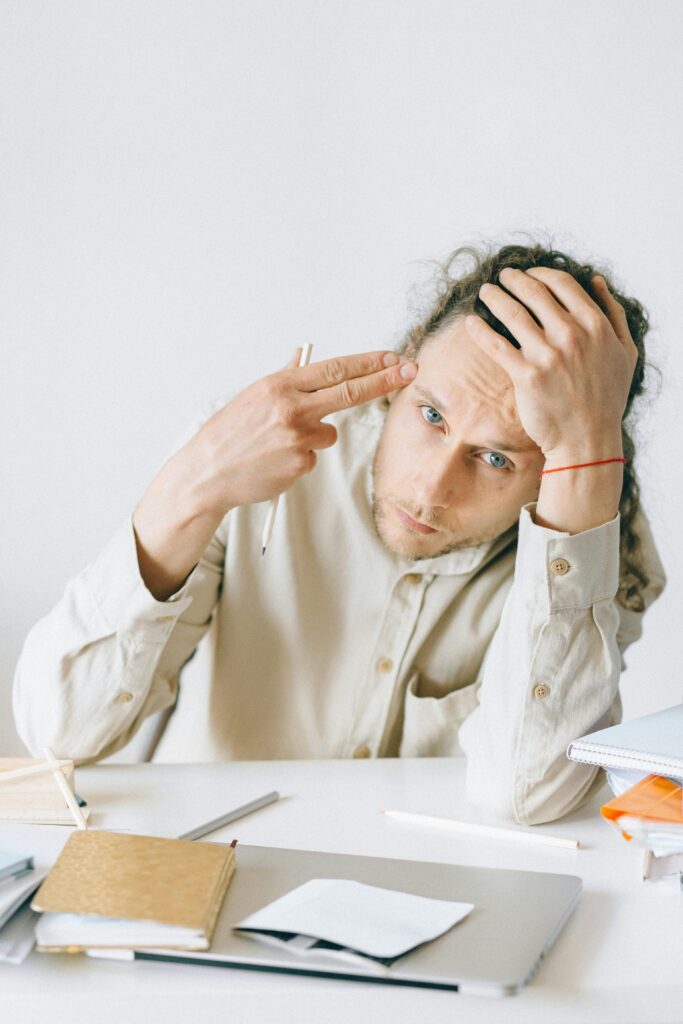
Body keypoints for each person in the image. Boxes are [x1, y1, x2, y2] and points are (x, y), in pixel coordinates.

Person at [13, 242, 665, 825]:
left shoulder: (596, 537)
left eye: (496, 458)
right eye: (430, 414)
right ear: (402, 369)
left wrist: (586, 454)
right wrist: (189, 485)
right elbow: (57, 734)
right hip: (203, 857)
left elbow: (526, 794)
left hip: (427, 899)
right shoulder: (259, 461)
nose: (430, 488)